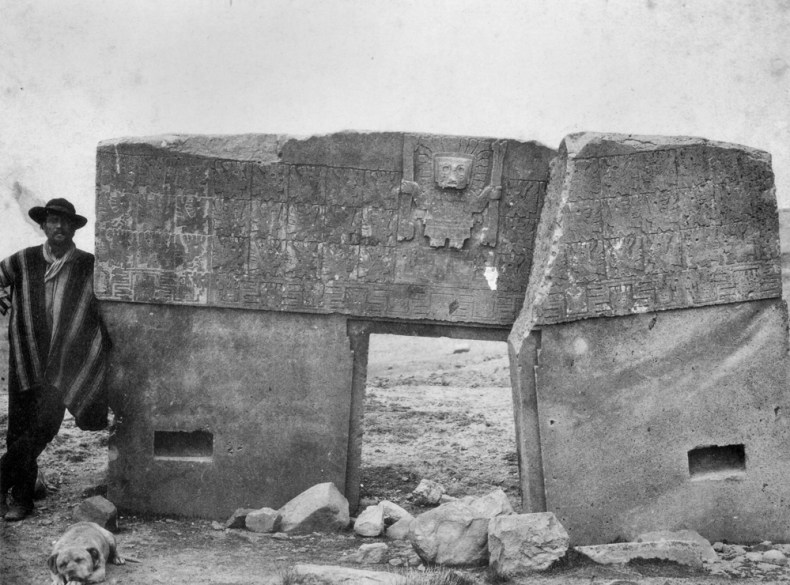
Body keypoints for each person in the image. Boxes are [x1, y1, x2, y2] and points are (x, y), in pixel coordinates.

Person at [0, 198, 110, 521]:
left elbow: (105, 302)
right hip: (25, 358)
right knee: (18, 431)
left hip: (61, 367)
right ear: (44, 225)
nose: (58, 227)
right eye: (52, 220)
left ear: (73, 228)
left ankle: (5, 482)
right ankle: (20, 500)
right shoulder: (23, 260)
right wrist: (4, 301)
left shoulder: (87, 265)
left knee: (42, 429)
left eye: (64, 222)